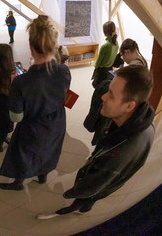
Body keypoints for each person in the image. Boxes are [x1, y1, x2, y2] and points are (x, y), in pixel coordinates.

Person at [38, 64, 155, 218]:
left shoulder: (119, 155)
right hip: (106, 178)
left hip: (100, 184)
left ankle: (78, 208)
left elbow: (94, 184)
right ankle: (84, 208)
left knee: (86, 198)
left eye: (111, 95)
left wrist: (71, 193)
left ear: (129, 106)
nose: (103, 97)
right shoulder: (140, 120)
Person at [0, 15, 71, 190]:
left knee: (23, 154)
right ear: (54, 46)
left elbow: (16, 117)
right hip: (57, 122)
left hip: (32, 127)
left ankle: (18, 182)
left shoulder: (21, 82)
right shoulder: (64, 71)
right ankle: (42, 176)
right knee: (49, 149)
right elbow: (64, 95)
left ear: (31, 49)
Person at [91, 21, 119, 86]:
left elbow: (98, 63)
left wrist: (95, 65)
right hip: (110, 70)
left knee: (97, 87)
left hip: (102, 72)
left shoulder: (105, 46)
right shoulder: (116, 43)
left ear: (104, 32)